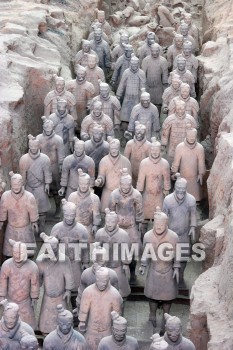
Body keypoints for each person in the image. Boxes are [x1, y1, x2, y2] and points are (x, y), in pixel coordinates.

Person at [139, 208, 180, 334]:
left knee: (168, 297)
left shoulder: (173, 236)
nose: (158, 227)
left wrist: (177, 267)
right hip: (154, 269)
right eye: (156, 224)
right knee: (152, 296)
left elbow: (177, 253)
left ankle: (166, 316)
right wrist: (143, 265)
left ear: (166, 224)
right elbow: (146, 253)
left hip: (168, 270)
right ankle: (152, 315)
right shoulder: (148, 236)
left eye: (161, 225)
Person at [109, 169, 143, 283]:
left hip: (131, 226)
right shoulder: (114, 194)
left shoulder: (136, 194)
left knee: (133, 251)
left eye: (127, 185)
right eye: (123, 184)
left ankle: (133, 274)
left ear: (131, 184)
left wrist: (139, 226)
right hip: (118, 227)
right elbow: (111, 211)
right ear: (120, 184)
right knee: (116, 250)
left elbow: (139, 211)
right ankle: (118, 275)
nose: (125, 187)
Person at [37, 233, 75, 334]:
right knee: (46, 318)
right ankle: (45, 331)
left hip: (60, 296)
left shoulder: (64, 259)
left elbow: (69, 275)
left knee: (62, 317)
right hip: (47, 297)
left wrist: (68, 290)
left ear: (57, 247)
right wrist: (35, 290)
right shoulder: (41, 260)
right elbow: (38, 278)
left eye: (54, 249)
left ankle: (62, 331)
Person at [163, 174, 197, 287]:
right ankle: (169, 279)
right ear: (175, 188)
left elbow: (193, 215)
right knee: (168, 256)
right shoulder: (167, 200)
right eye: (179, 188)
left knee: (183, 257)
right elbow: (164, 216)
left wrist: (192, 227)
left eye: (183, 189)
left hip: (184, 234)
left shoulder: (191, 200)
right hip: (170, 234)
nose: (181, 191)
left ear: (186, 188)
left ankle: (180, 277)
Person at [78, 267, 123, 349]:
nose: (101, 284)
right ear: (95, 279)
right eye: (99, 281)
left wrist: (116, 321)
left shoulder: (115, 294)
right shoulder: (88, 291)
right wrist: (82, 321)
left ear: (108, 279)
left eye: (104, 281)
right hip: (91, 329)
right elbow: (84, 309)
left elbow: (117, 315)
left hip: (107, 330)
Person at [0, 240, 39, 329]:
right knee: (8, 324)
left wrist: (34, 297)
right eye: (15, 253)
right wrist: (1, 295)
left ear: (24, 253)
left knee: (28, 326)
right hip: (10, 300)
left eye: (19, 253)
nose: (17, 256)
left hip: (25, 302)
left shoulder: (32, 267)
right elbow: (3, 281)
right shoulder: (7, 265)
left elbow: (34, 283)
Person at [74, 243, 119, 317]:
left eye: (101, 257)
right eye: (96, 257)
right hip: (90, 309)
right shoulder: (86, 274)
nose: (98, 259)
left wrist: (116, 313)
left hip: (107, 309)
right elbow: (81, 293)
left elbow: (116, 296)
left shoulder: (112, 275)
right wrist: (79, 307)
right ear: (91, 257)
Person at [137, 138, 171, 235]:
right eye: (153, 150)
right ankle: (143, 236)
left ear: (160, 150)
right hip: (146, 195)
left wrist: (167, 189)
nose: (155, 152)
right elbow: (140, 181)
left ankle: (159, 236)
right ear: (150, 150)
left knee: (160, 218)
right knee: (144, 218)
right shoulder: (144, 163)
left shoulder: (164, 163)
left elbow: (167, 180)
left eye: (157, 150)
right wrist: (139, 193)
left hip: (159, 196)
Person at [0, 172, 38, 257]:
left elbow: (33, 210)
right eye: (14, 184)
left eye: (18, 184)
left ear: (22, 183)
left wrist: (34, 221)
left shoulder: (29, 197)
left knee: (28, 254)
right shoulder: (6, 196)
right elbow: (3, 210)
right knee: (9, 254)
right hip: (11, 230)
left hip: (25, 229)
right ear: (10, 184)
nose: (16, 187)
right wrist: (1, 221)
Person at [19, 135, 52, 233]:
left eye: (35, 146)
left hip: (40, 187)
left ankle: (41, 227)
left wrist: (47, 184)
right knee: (29, 209)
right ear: (29, 146)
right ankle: (31, 229)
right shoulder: (24, 159)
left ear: (39, 146)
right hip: (29, 187)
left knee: (42, 209)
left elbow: (47, 173)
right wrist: (22, 188)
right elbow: (23, 175)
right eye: (31, 147)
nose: (33, 149)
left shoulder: (45, 158)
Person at [37, 116, 65, 217]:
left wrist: (61, 165)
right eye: (46, 128)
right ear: (43, 127)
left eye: (50, 128)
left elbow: (61, 154)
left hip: (54, 167)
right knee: (41, 188)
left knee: (56, 189)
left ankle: (58, 209)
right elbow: (36, 152)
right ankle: (43, 210)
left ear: (53, 127)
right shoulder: (39, 138)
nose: (48, 130)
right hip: (41, 167)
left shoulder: (58, 139)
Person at [95, 137, 132, 212]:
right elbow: (101, 175)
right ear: (109, 148)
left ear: (119, 148)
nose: (114, 151)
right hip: (107, 192)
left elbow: (129, 180)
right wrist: (99, 180)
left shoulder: (125, 161)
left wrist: (124, 175)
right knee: (106, 214)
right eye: (112, 148)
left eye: (116, 148)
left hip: (121, 194)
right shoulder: (104, 161)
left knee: (122, 214)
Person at [171, 126, 206, 201]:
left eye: (193, 136)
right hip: (182, 177)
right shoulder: (180, 147)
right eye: (189, 136)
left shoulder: (199, 148)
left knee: (195, 197)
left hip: (194, 178)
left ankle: (196, 202)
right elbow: (176, 162)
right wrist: (174, 172)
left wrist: (200, 174)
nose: (191, 138)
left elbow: (201, 163)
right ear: (186, 135)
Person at [68, 170, 101, 242]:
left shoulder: (94, 198)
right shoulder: (72, 196)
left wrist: (95, 225)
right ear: (78, 183)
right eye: (81, 184)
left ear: (89, 184)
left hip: (88, 226)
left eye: (85, 184)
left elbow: (96, 214)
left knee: (88, 246)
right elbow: (68, 213)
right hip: (74, 226)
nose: (83, 186)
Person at [67, 65, 95, 132]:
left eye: (82, 74)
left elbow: (90, 98)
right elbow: (68, 96)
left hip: (83, 110)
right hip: (73, 110)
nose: (80, 75)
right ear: (77, 73)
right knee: (72, 126)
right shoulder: (70, 84)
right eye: (79, 74)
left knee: (83, 126)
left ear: (85, 74)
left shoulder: (89, 85)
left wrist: (88, 105)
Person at [124, 122, 151, 187]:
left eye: (141, 133)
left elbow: (150, 162)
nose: (139, 135)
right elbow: (125, 160)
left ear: (145, 133)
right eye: (137, 132)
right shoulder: (129, 144)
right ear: (134, 132)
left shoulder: (149, 145)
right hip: (131, 173)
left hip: (144, 174)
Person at [142, 43, 169, 108]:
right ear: (150, 51)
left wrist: (165, 89)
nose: (154, 53)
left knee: (158, 104)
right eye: (153, 51)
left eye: (156, 51)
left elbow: (165, 76)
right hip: (148, 87)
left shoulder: (163, 61)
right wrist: (143, 88)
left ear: (159, 51)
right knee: (147, 104)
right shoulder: (146, 60)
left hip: (158, 88)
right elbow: (143, 75)